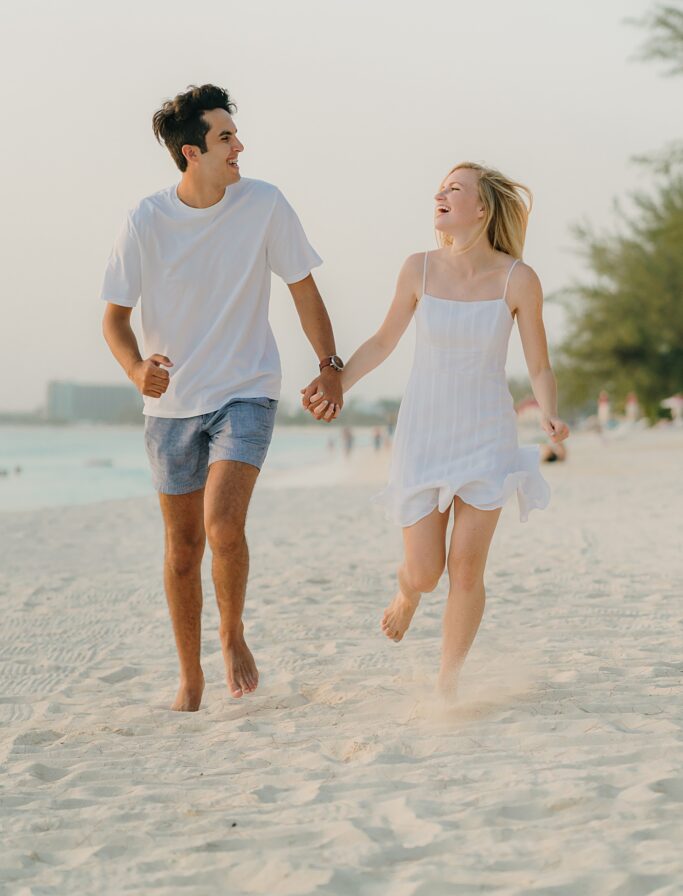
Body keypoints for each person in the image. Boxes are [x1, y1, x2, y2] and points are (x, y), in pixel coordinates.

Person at [101, 84, 343, 712]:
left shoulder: (263, 204)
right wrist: (135, 370)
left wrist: (329, 363)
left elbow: (303, 289)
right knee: (183, 551)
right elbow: (115, 320)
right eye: (225, 138)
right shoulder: (146, 220)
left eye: (235, 134)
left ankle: (232, 635)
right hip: (171, 406)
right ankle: (191, 676)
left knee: (223, 525)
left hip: (246, 391)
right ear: (192, 153)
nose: (239, 146)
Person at [302, 162, 569, 698]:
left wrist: (547, 411)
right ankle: (406, 593)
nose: (439, 195)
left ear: (481, 208)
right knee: (425, 572)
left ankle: (447, 683)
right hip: (425, 432)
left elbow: (537, 363)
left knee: (466, 569)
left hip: (487, 435)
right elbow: (382, 342)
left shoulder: (519, 278)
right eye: (441, 188)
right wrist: (338, 382)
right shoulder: (418, 269)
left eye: (454, 189)